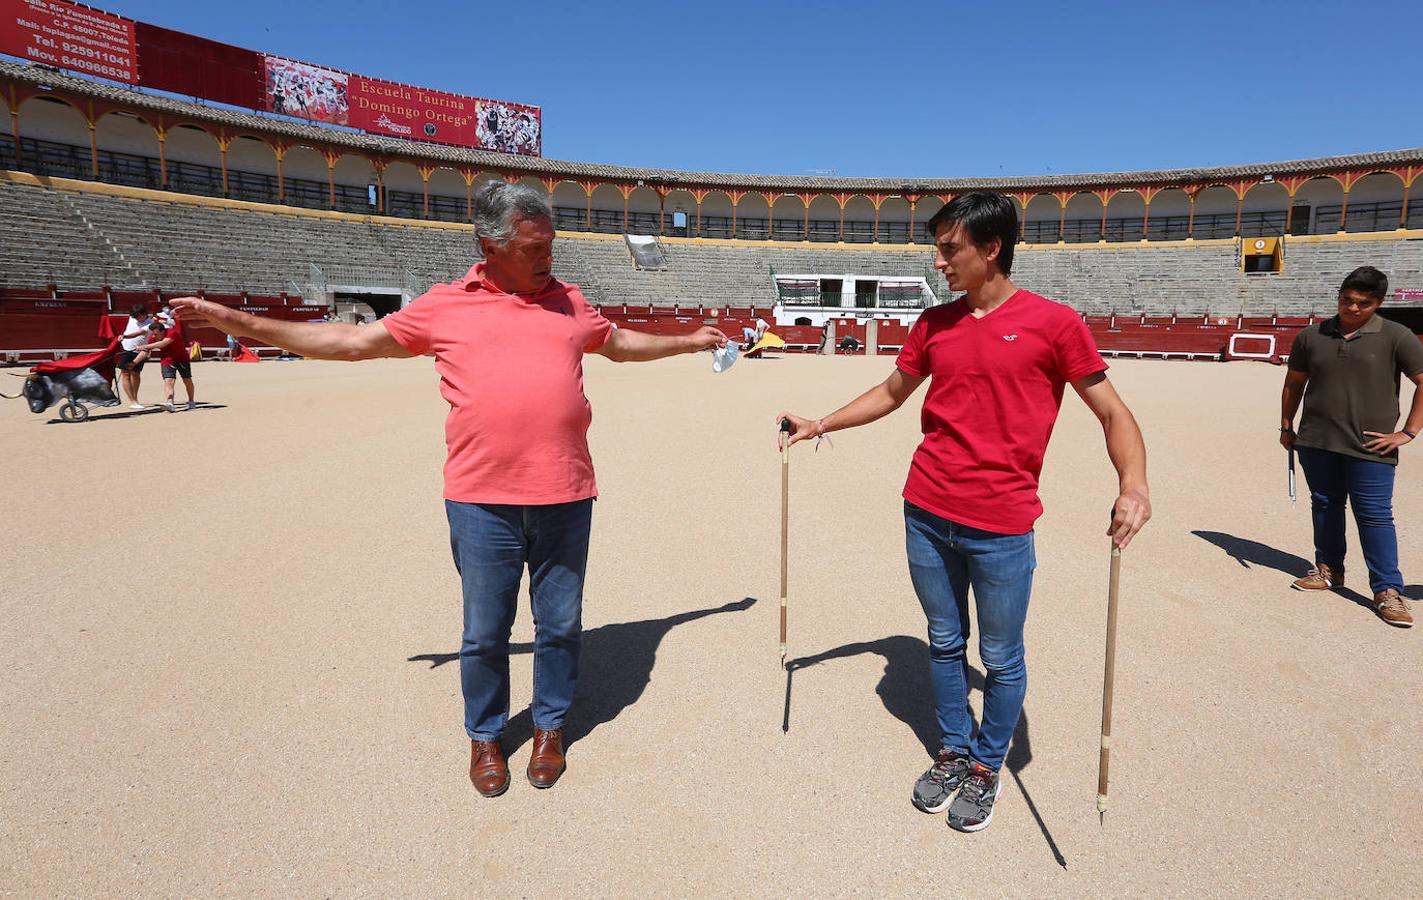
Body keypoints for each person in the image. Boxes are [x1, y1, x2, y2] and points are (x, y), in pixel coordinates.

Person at [171, 181, 728, 798]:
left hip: (566, 492)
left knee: (561, 625)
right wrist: (242, 322)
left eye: (550, 245)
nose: (548, 258)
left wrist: (687, 342)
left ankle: (548, 727)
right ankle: (486, 735)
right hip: (481, 499)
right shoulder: (445, 305)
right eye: (532, 246)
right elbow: (353, 342)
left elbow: (619, 344)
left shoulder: (568, 300)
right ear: (489, 245)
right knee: (485, 631)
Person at [777, 191, 1150, 833]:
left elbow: (1114, 413)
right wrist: (820, 422)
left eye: (951, 249)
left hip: (1002, 524)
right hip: (925, 510)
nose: (940, 261)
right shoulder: (934, 323)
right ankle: (953, 749)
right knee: (944, 641)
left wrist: (1134, 483)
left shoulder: (1054, 323)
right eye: (940, 247)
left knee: (1001, 658)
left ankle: (986, 763)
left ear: (991, 248)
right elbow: (893, 393)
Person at [1280, 265, 1422, 628]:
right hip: (1317, 439)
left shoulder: (1396, 335)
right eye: (1347, 300)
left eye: (1364, 303)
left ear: (1378, 302)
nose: (1353, 308)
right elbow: (1294, 383)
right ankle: (1329, 569)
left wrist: (1407, 432)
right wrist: (1286, 425)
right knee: (1325, 505)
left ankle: (1387, 590)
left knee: (1374, 515)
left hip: (1371, 445)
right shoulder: (1312, 336)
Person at [145, 316, 198, 411]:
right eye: (152, 334)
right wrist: (134, 362)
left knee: (187, 380)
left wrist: (145, 346)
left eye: (155, 334)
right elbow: (145, 350)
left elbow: (163, 344)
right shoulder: (153, 339)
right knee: (168, 381)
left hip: (182, 359)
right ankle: (170, 402)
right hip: (167, 360)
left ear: (162, 331)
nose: (153, 336)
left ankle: (191, 401)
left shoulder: (172, 333)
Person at [116, 303, 154, 409]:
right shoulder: (133, 317)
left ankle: (135, 399)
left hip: (139, 351)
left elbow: (139, 333)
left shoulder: (150, 324)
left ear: (144, 314)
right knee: (125, 374)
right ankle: (132, 401)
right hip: (125, 349)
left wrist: (124, 336)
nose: (136, 319)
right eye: (135, 317)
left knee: (136, 375)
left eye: (138, 316)